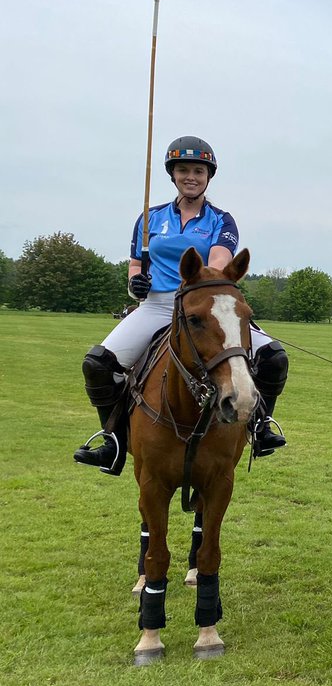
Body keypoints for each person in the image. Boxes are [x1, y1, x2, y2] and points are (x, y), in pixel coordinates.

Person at [73, 136, 289, 474]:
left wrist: (202, 285)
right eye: (183, 170)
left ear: (208, 176)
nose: (191, 176)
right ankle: (112, 441)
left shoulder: (221, 220)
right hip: (158, 305)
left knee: (274, 357)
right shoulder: (149, 217)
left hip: (203, 305)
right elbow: (135, 263)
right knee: (98, 363)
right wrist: (135, 282)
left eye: (198, 171)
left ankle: (260, 427)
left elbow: (219, 260)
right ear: (172, 175)